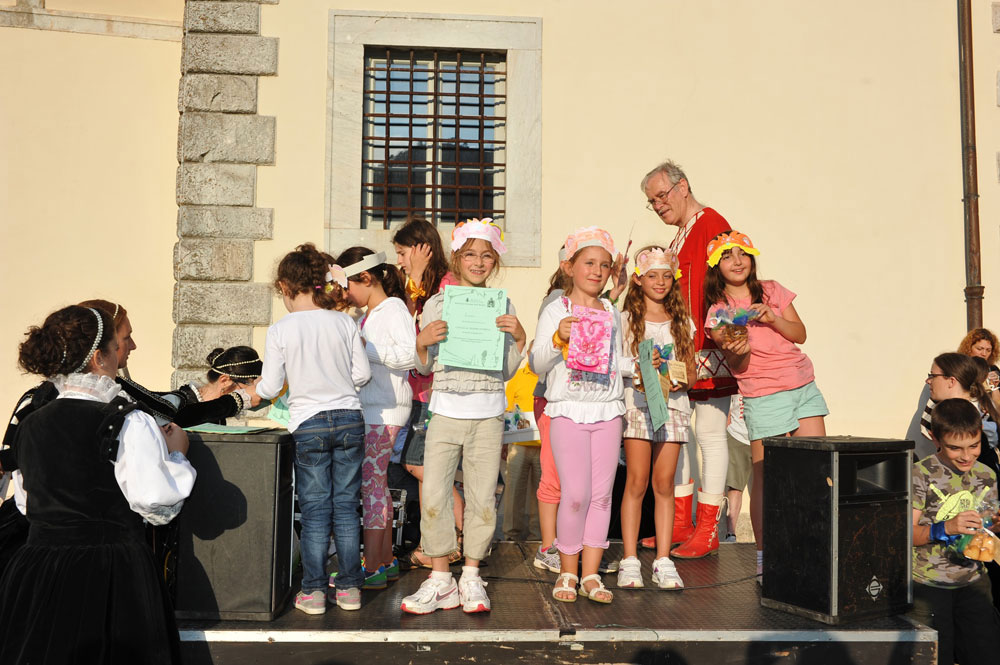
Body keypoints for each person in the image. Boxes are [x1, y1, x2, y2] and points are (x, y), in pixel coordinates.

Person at [0, 305, 196, 664]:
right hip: (110, 570)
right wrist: (178, 455)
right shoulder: (127, 421)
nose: (128, 348)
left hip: (39, 569)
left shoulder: (30, 423)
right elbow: (155, 501)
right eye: (120, 342)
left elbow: (27, 503)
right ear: (98, 357)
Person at [400, 219, 525, 615]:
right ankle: (440, 579)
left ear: (495, 262)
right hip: (446, 411)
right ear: (456, 257)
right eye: (470, 254)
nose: (478, 261)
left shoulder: (502, 304)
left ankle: (471, 576)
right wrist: (421, 342)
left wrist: (519, 337)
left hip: (487, 414)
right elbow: (422, 366)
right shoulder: (437, 303)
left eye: (487, 255)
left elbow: (506, 370)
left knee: (481, 496)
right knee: (435, 492)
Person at [256, 243, 372, 616]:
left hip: (308, 423)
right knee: (346, 509)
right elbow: (362, 375)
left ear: (286, 287)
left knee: (316, 511)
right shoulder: (344, 321)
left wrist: (250, 392)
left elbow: (270, 388)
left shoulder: (281, 329)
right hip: (350, 418)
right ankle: (351, 588)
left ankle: (314, 591)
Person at [704, 231, 828, 577]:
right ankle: (765, 557)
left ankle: (810, 547)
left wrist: (773, 318)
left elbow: (800, 334)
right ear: (717, 267)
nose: (738, 261)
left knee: (815, 471)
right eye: (727, 256)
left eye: (742, 253)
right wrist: (736, 349)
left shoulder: (772, 289)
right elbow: (739, 368)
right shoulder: (719, 313)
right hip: (763, 393)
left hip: (802, 384)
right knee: (765, 477)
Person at [640, 160, 736, 559]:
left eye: (661, 196)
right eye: (651, 202)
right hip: (680, 350)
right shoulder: (680, 236)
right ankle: (680, 521)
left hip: (708, 350)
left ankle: (709, 528)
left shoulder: (712, 223)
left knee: (711, 434)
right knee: (676, 432)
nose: (658, 205)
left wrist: (712, 340)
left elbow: (726, 283)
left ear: (682, 187)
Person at [531, 226, 629, 605]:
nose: (597, 271)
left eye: (604, 265)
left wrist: (640, 365)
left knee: (602, 495)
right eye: (589, 263)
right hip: (568, 411)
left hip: (607, 410)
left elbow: (615, 362)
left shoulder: (612, 312)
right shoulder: (557, 310)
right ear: (570, 267)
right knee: (575, 495)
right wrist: (558, 338)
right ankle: (567, 572)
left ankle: (590, 574)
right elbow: (537, 362)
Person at [336, 246, 415, 590]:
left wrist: (360, 345)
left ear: (366, 278)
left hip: (385, 409)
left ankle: (373, 564)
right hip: (375, 408)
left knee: (371, 484)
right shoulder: (371, 313)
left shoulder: (393, 309)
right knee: (375, 484)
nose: (345, 294)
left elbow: (407, 356)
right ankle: (382, 561)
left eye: (348, 286)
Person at [617, 247, 694, 590]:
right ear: (638, 279)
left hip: (673, 407)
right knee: (636, 482)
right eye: (652, 275)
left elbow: (689, 369)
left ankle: (663, 560)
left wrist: (680, 378)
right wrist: (634, 374)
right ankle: (630, 559)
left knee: (664, 485)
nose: (660, 282)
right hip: (638, 405)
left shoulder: (681, 321)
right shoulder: (625, 319)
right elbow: (618, 363)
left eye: (666, 275)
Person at [391, 217, 464, 567]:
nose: (401, 261)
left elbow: (419, 330)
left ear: (423, 250)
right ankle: (434, 542)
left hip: (437, 392)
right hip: (421, 392)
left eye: (404, 253)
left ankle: (456, 537)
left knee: (424, 467)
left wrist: (417, 279)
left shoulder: (446, 286)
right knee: (424, 466)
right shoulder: (416, 287)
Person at [909, 398, 1000, 665]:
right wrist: (942, 528)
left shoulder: (987, 475)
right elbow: (904, 535)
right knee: (936, 657)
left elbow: (985, 528)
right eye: (955, 448)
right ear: (935, 438)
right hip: (928, 586)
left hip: (975, 582)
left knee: (987, 655)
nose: (966, 456)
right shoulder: (920, 474)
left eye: (974, 446)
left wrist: (994, 527)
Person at [502, 357, 542, 541]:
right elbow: (507, 410)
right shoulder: (517, 377)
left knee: (542, 494)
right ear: (529, 354)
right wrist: (504, 442)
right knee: (514, 490)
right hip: (518, 445)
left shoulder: (550, 376)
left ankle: (539, 536)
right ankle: (511, 535)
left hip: (545, 447)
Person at [172, 346, 262, 427]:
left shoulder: (219, 416)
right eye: (247, 389)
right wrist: (240, 399)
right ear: (225, 381)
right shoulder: (180, 403)